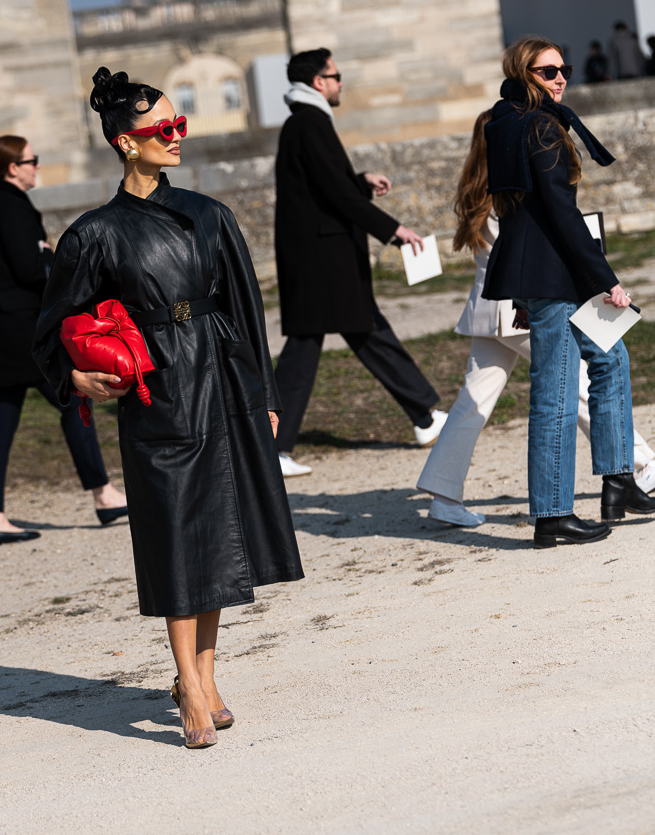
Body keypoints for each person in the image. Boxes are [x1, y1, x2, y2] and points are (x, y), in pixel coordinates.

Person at [33, 67, 304, 749]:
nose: (178, 137)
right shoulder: (94, 234)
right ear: (127, 142)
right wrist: (75, 378)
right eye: (165, 128)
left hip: (224, 380)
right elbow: (48, 327)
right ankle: (186, 680)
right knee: (177, 537)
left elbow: (246, 309)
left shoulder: (211, 214)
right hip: (161, 395)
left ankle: (204, 677)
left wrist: (264, 395)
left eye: (181, 125)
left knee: (220, 533)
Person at [417, 112, 655, 527]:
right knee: (578, 384)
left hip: (488, 308)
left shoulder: (477, 186)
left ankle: (443, 492)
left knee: (472, 404)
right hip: (518, 307)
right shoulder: (509, 187)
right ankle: (641, 464)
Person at [481, 36, 655, 548]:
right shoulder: (536, 124)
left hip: (551, 267)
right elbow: (559, 210)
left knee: (612, 358)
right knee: (555, 389)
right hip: (552, 271)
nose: (560, 78)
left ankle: (618, 479)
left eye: (565, 69)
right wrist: (607, 278)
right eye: (548, 71)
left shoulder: (507, 120)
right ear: (524, 73)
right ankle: (553, 513)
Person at [273, 47, 446, 476]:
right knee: (306, 348)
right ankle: (271, 449)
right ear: (318, 82)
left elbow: (329, 186)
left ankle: (424, 416)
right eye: (336, 75)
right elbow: (335, 194)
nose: (341, 82)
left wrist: (360, 181)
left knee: (366, 331)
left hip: (322, 257)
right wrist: (394, 230)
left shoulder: (307, 123)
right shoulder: (309, 123)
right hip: (321, 260)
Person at [0, 136, 127, 549]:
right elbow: (29, 267)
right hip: (20, 329)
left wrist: (42, 253)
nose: (37, 166)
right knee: (74, 398)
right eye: (31, 161)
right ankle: (104, 496)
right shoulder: (12, 206)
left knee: (0, 421)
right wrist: (51, 257)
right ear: (11, 168)